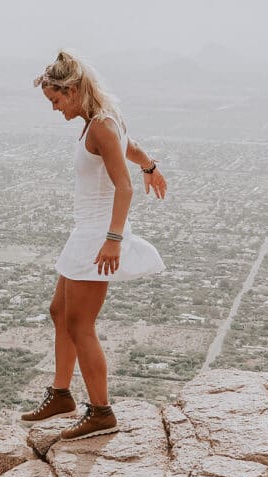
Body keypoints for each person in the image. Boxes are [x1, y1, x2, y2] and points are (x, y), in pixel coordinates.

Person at [20, 50, 167, 441]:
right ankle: (62, 394)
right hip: (86, 232)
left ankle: (101, 412)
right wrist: (150, 164)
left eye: (56, 100)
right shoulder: (100, 122)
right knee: (59, 311)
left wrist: (114, 240)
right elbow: (128, 146)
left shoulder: (100, 125)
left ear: (73, 91)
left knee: (79, 324)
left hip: (98, 235)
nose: (55, 109)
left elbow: (123, 187)